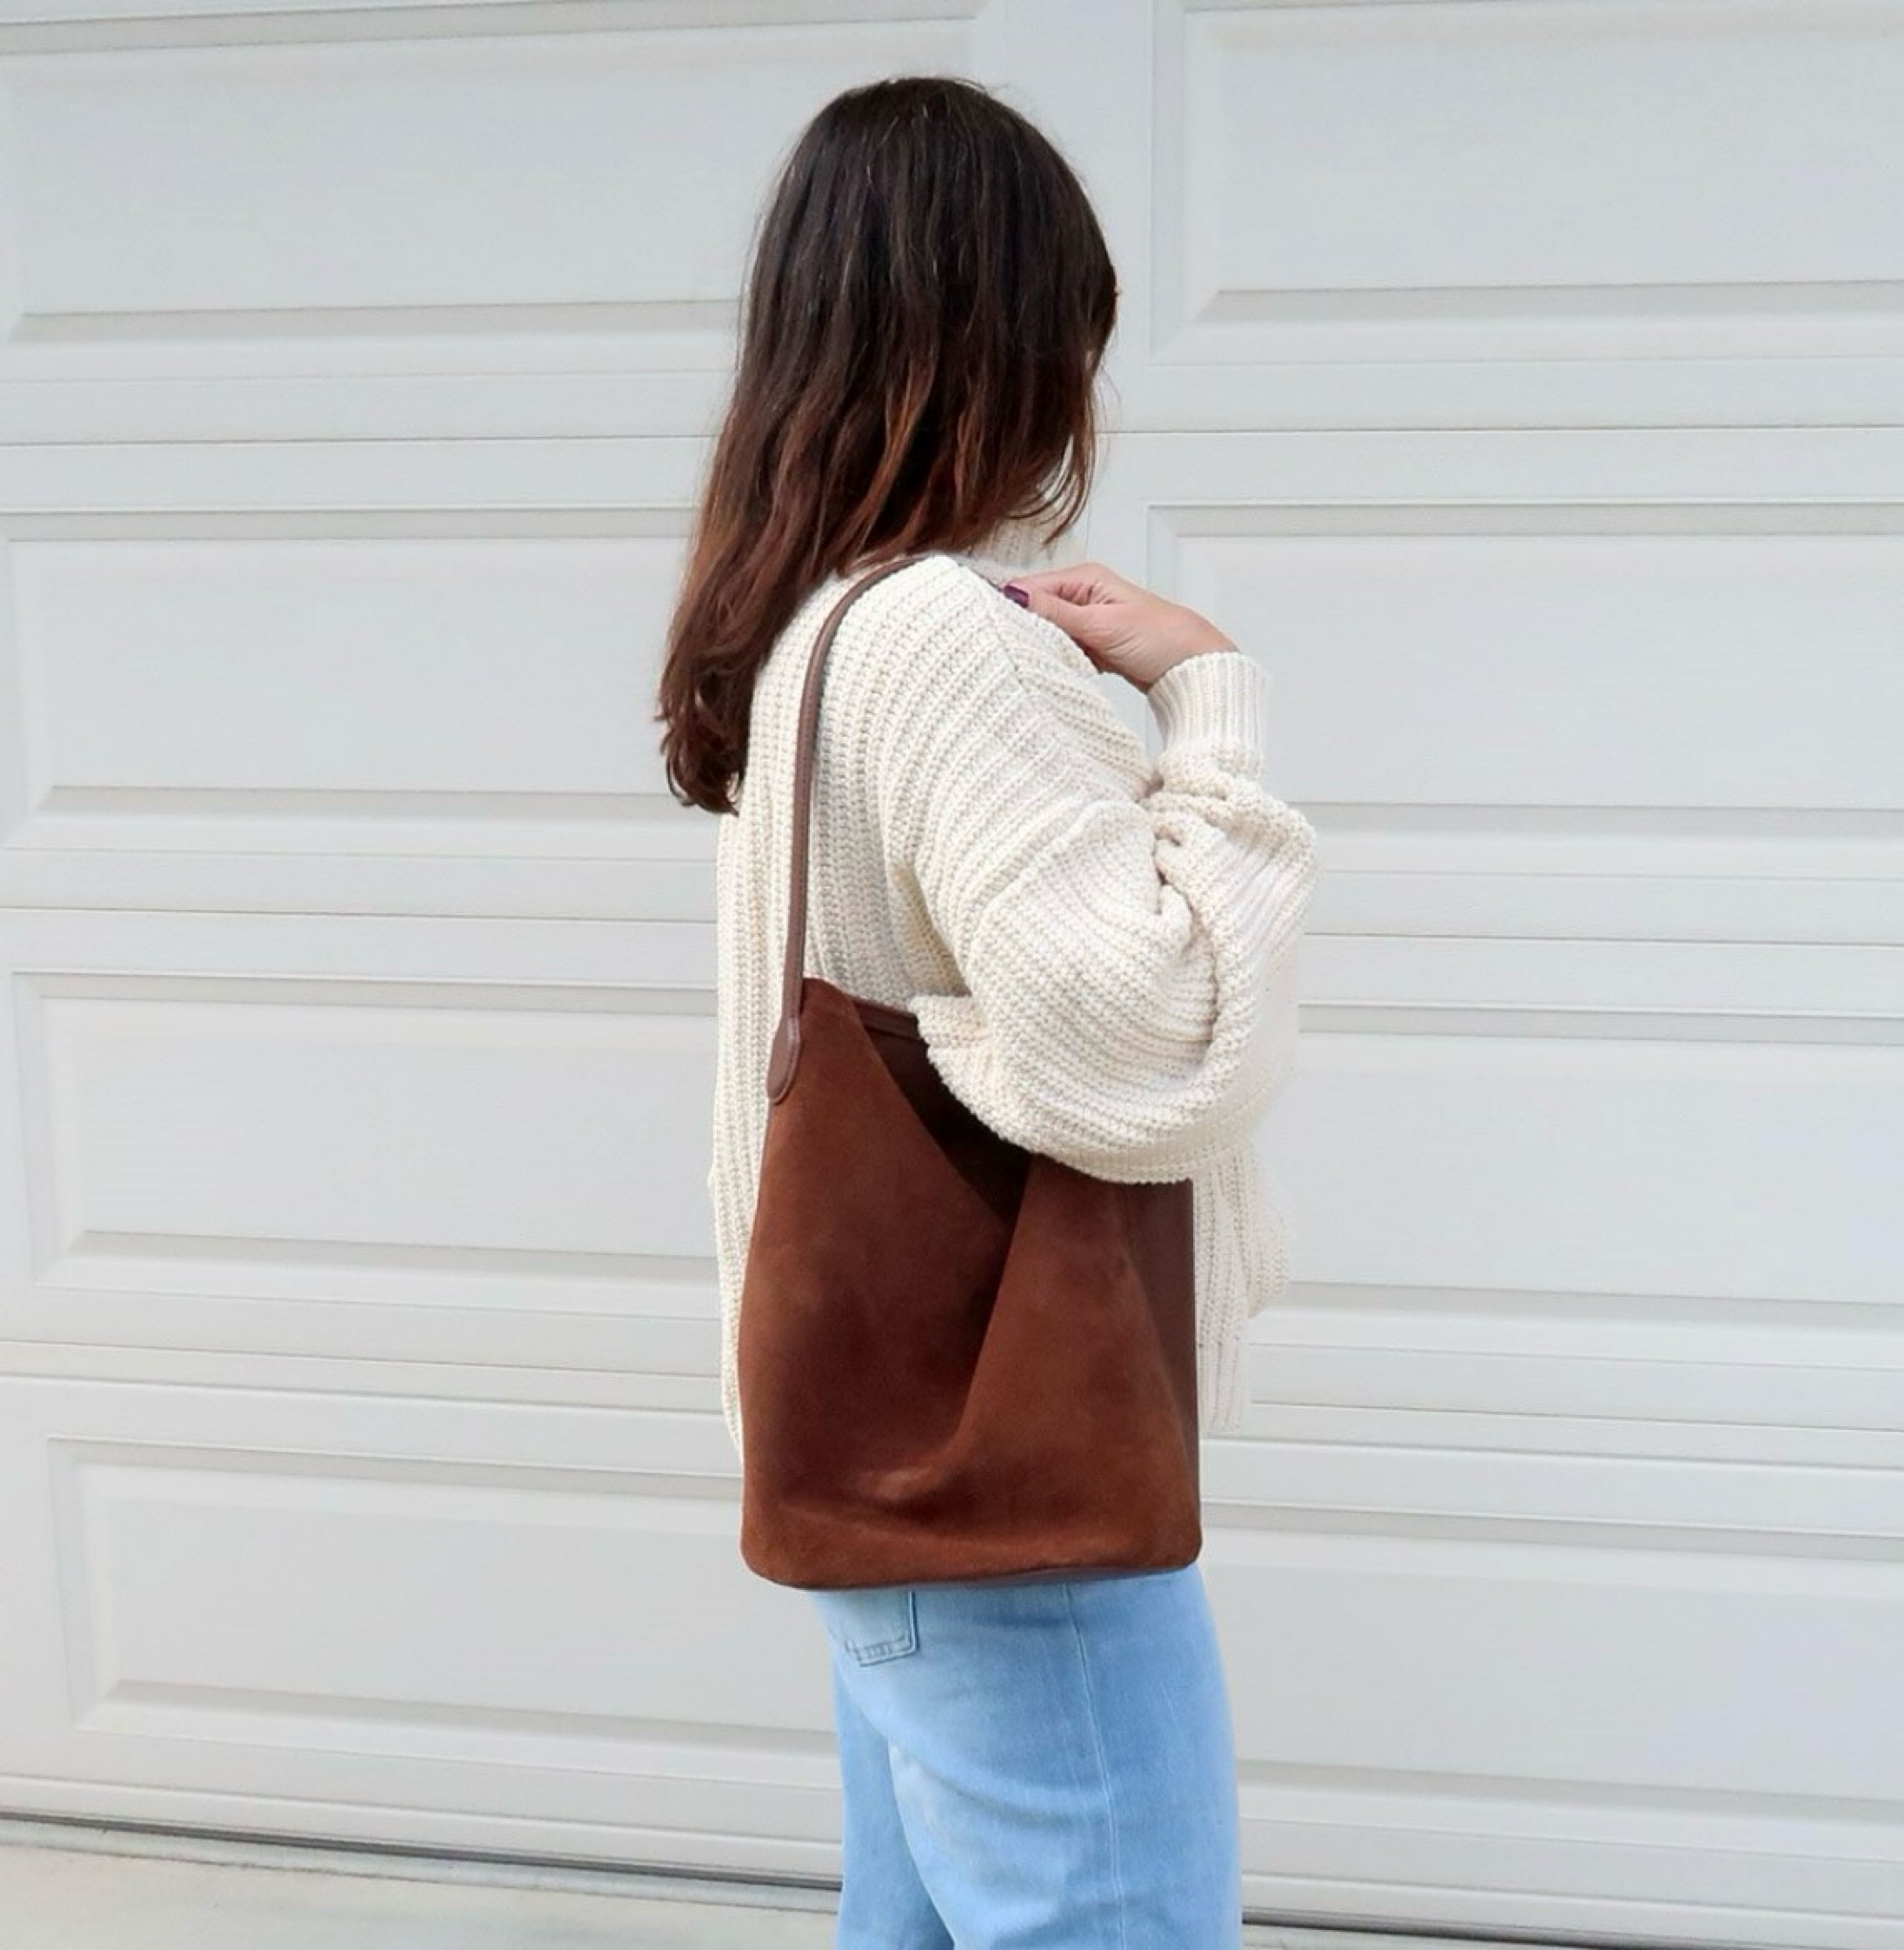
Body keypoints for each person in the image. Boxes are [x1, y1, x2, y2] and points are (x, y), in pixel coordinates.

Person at [656, 72, 1319, 1950]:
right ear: (1016, 340)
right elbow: (1156, 1042)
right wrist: (1215, 699)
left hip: (897, 1475)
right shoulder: (945, 644)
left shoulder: (814, 634)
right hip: (1006, 1493)